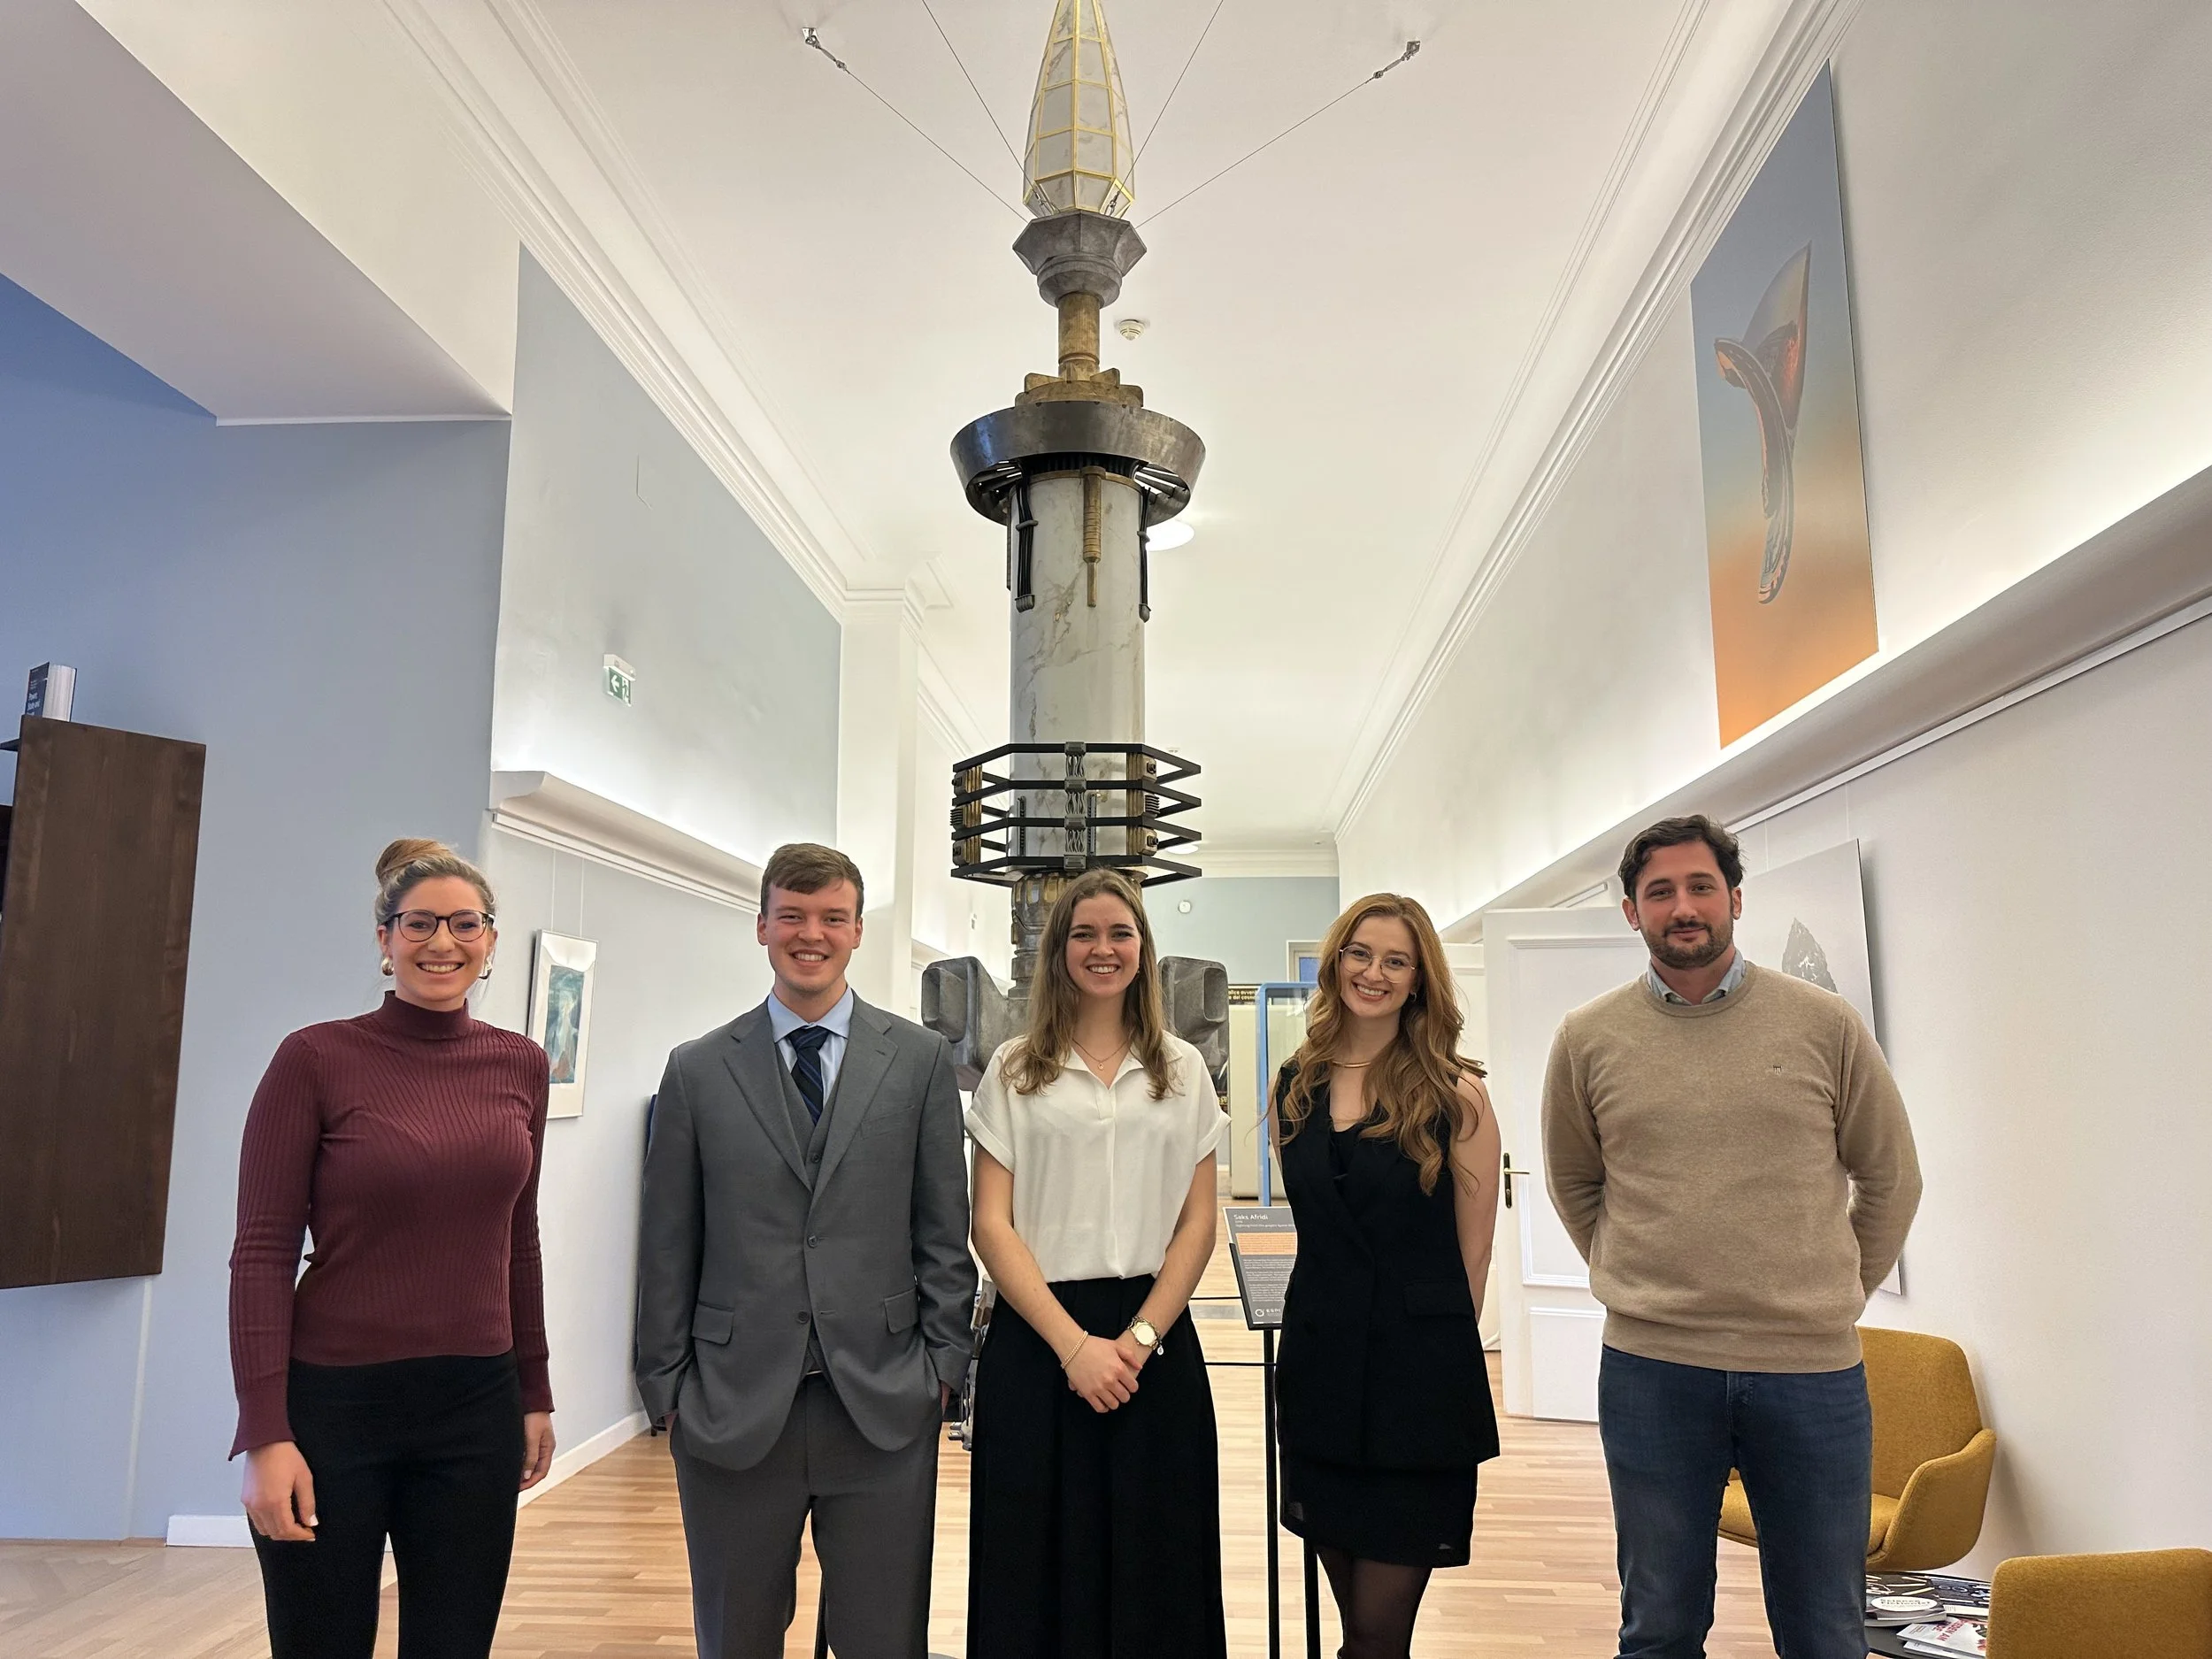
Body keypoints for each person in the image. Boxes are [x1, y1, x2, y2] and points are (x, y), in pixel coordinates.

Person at [1543, 814, 1923, 1659]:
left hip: (1811, 1371)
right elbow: (1575, 1183)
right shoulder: (1588, 1037)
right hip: (1652, 1368)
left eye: (1701, 886)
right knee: (1660, 1626)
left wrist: (1833, 1292)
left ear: (1736, 899)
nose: (1683, 906)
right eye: (1660, 892)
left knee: (1826, 1631)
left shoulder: (1825, 1024)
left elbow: (1892, 1177)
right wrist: (1637, 1278)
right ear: (1631, 912)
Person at [635, 842, 975, 1659]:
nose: (810, 934)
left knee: (884, 1639)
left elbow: (942, 1229)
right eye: (791, 915)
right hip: (730, 1401)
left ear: (856, 930)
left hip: (884, 1399)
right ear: (761, 925)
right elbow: (667, 1242)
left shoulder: (920, 1062)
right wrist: (666, 1386)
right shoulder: (697, 1070)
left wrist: (942, 1367)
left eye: (831, 917)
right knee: (737, 1637)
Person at [229, 837, 556, 1659]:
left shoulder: (521, 1063)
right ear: (384, 937)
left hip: (476, 1406)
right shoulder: (314, 1058)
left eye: (465, 923)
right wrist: (264, 1432)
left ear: (489, 938)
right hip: (333, 1408)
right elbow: (262, 1252)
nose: (443, 942)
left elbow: (518, 1239)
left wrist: (535, 1390)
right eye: (419, 923)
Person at [964, 867, 1229, 1658]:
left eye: (1120, 932)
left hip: (1153, 1342)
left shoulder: (1182, 1070)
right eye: (1084, 933)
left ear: (1143, 947)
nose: (1102, 948)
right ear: (1058, 950)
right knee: (1032, 1564)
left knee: (1160, 1561)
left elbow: (1198, 1222)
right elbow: (991, 1224)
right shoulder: (1014, 1068)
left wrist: (1140, 1338)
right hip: (1039, 1340)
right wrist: (1074, 1346)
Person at [1270, 893, 1502, 1659]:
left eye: (1396, 960)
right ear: (1336, 962)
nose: (1374, 972)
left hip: (1418, 1390)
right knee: (1357, 1632)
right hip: (1321, 1374)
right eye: (1360, 953)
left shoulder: (1457, 1095)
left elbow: (1474, 1254)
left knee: (1378, 1632)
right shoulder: (1294, 1084)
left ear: (1419, 979)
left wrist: (1437, 1364)